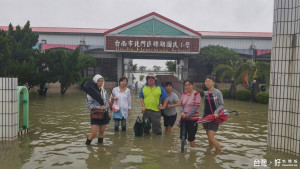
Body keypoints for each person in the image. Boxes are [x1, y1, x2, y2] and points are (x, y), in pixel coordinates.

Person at [85, 74, 110, 145]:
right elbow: (88, 105)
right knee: (93, 133)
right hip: (95, 115)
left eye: (102, 81)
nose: (100, 82)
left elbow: (106, 102)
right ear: (95, 82)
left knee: (101, 132)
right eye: (98, 81)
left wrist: (108, 111)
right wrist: (99, 107)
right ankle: (87, 145)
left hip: (104, 114)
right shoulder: (90, 93)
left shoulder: (104, 91)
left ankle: (100, 149)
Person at [202, 75, 224, 151]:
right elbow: (205, 106)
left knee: (211, 137)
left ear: (213, 82)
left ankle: (219, 152)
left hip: (214, 117)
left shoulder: (218, 92)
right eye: (206, 81)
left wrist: (216, 112)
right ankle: (210, 151)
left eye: (209, 81)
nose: (207, 82)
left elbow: (222, 104)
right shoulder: (205, 93)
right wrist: (203, 117)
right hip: (206, 117)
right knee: (208, 137)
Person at [180, 80, 201, 147]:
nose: (187, 86)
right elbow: (181, 105)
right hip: (184, 118)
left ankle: (192, 153)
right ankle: (184, 150)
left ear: (192, 85)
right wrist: (182, 113)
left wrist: (187, 115)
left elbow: (196, 107)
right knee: (182, 137)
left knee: (191, 138)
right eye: (185, 85)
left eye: (189, 84)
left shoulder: (197, 94)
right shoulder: (183, 94)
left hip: (193, 120)